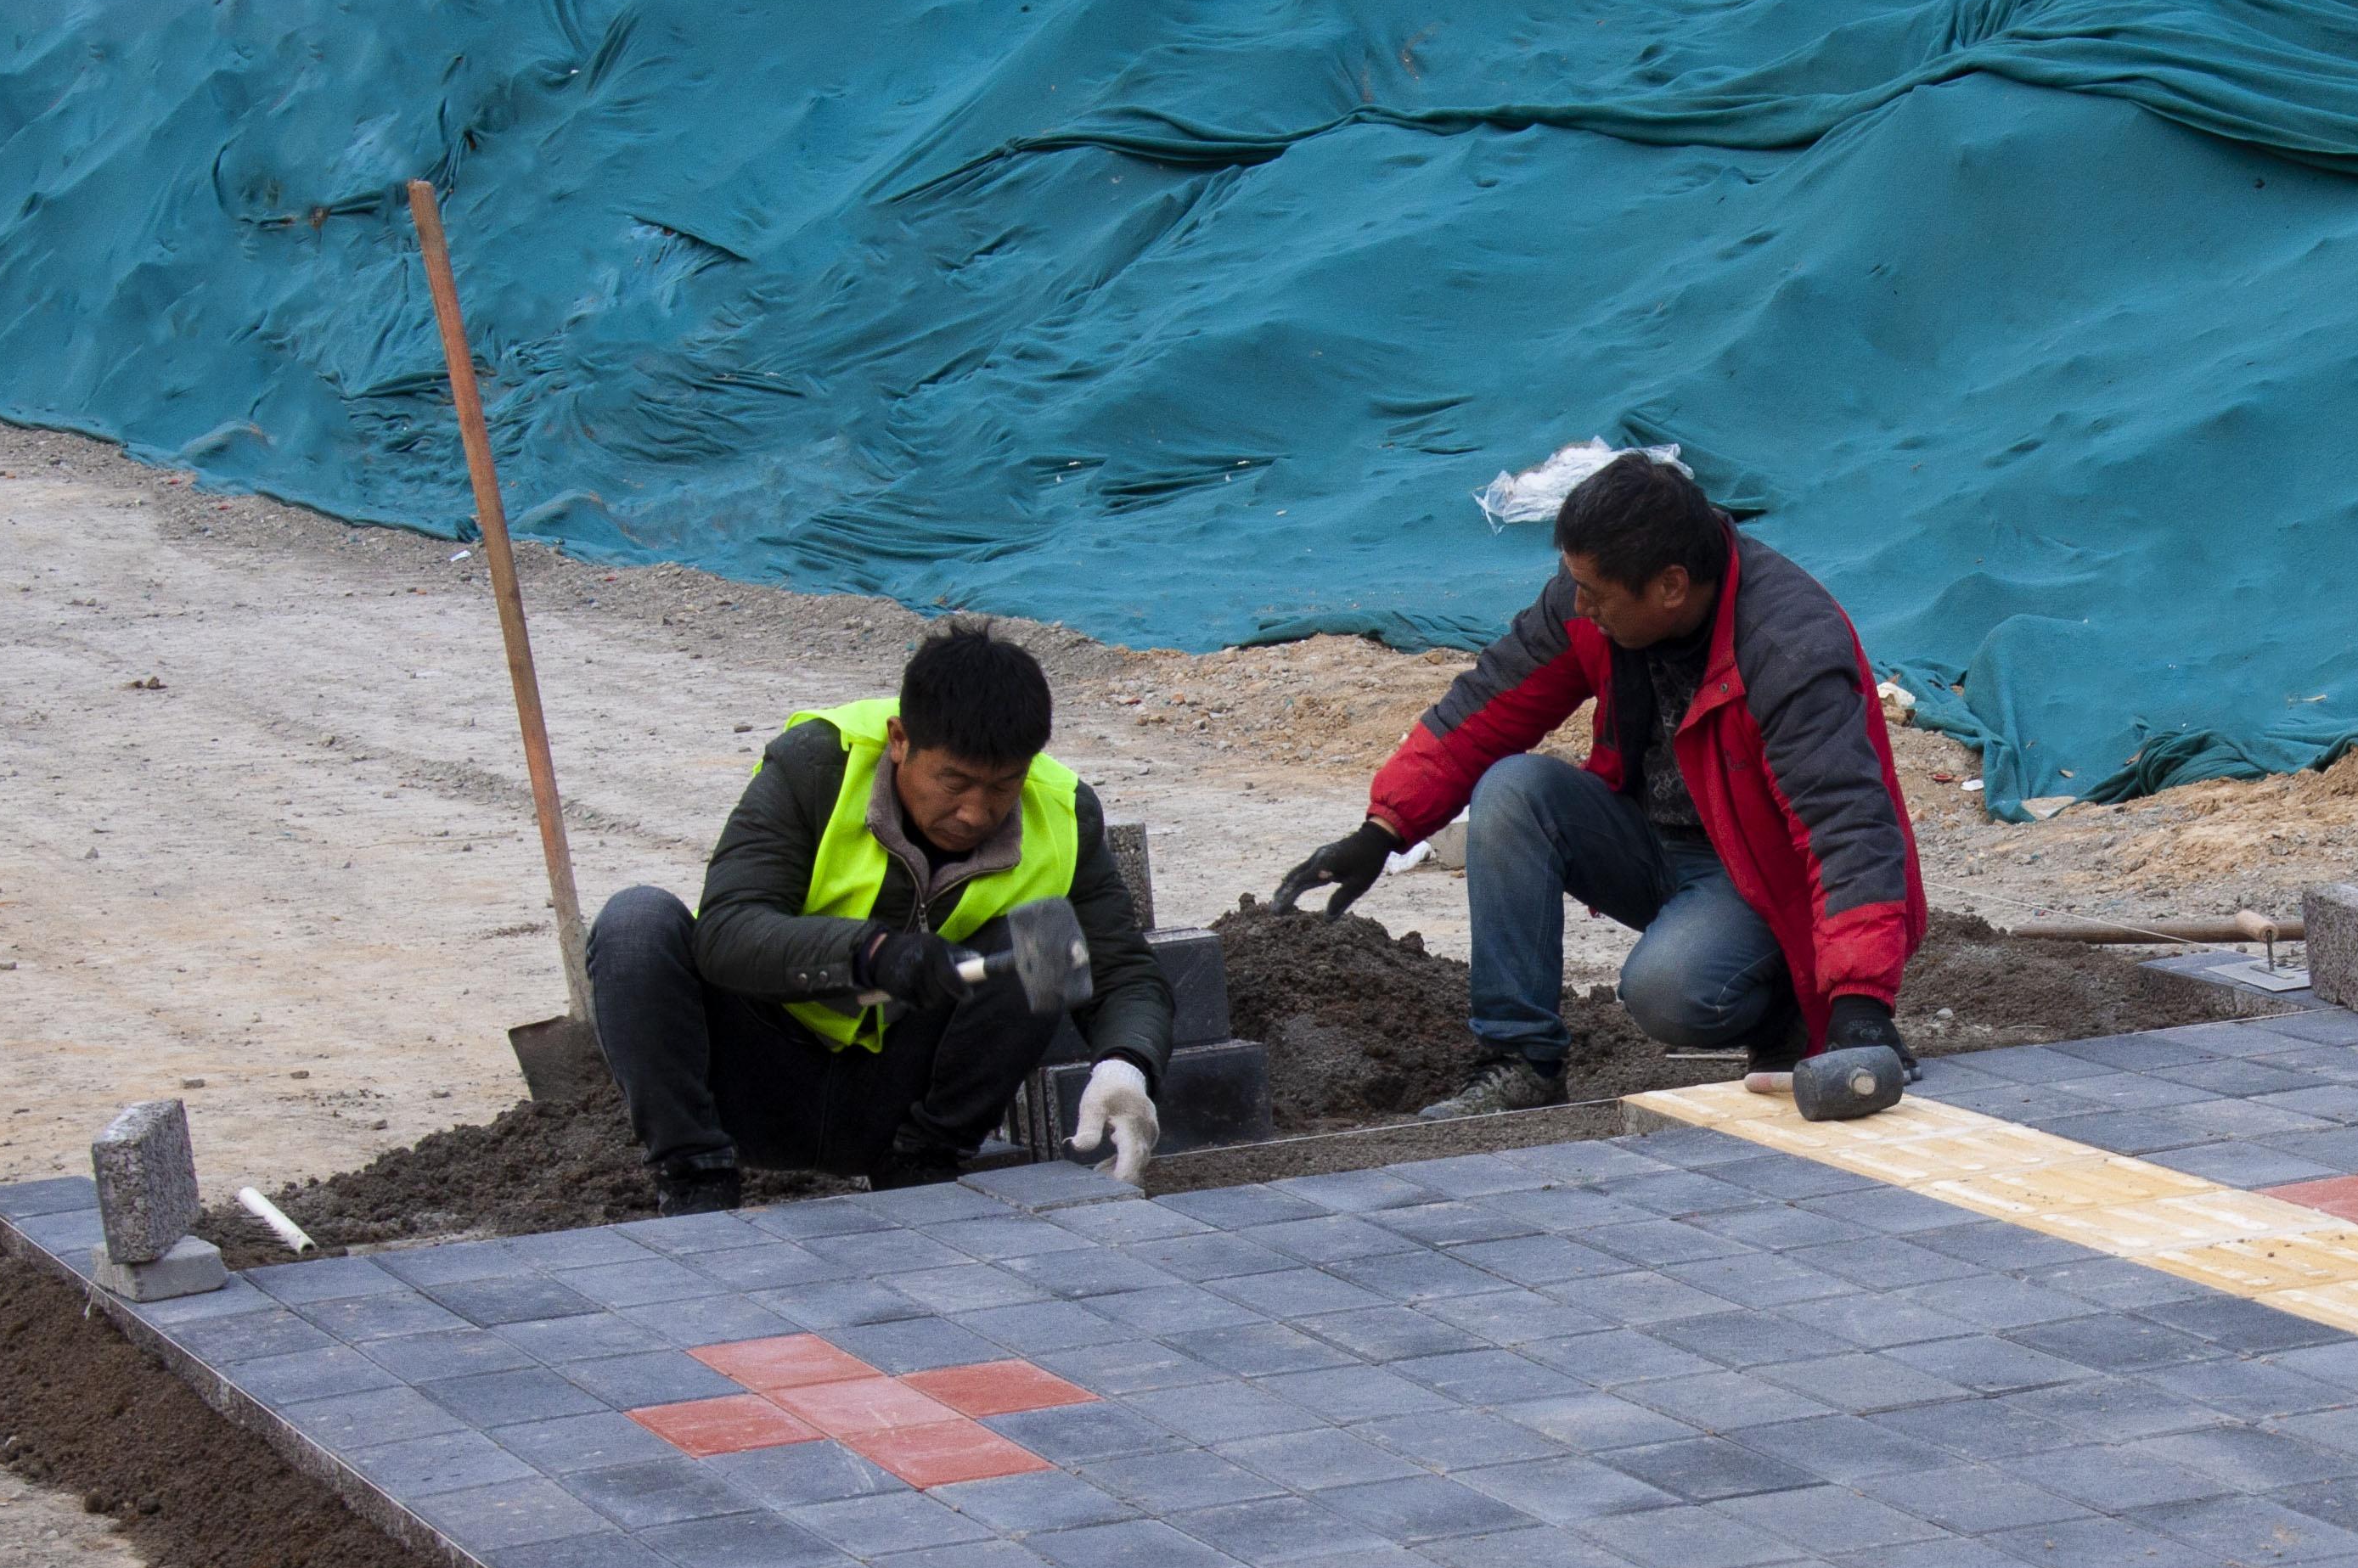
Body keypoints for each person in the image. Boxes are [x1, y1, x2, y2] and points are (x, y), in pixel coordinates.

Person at [1272, 452, 1926, 1115]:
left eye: (1595, 592)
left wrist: (1859, 1008)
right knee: (1512, 791)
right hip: (1653, 842)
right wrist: (1383, 830)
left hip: (1764, 875)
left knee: (1667, 990)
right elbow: (1488, 704)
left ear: (1670, 587)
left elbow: (1847, 829)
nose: (1578, 604)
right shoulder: (1594, 601)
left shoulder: (1787, 646)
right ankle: (1519, 1062)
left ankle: (1785, 1013)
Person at [588, 623, 1171, 1214]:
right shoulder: (817, 766)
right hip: (755, 1078)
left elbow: (1124, 971)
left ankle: (922, 1167)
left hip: (892, 1099)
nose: (975, 812)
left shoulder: (1066, 813)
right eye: (954, 781)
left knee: (1037, 944)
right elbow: (726, 933)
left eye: (1004, 785)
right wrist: (870, 953)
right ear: (899, 740)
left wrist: (1126, 1066)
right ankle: (696, 1181)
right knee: (634, 925)